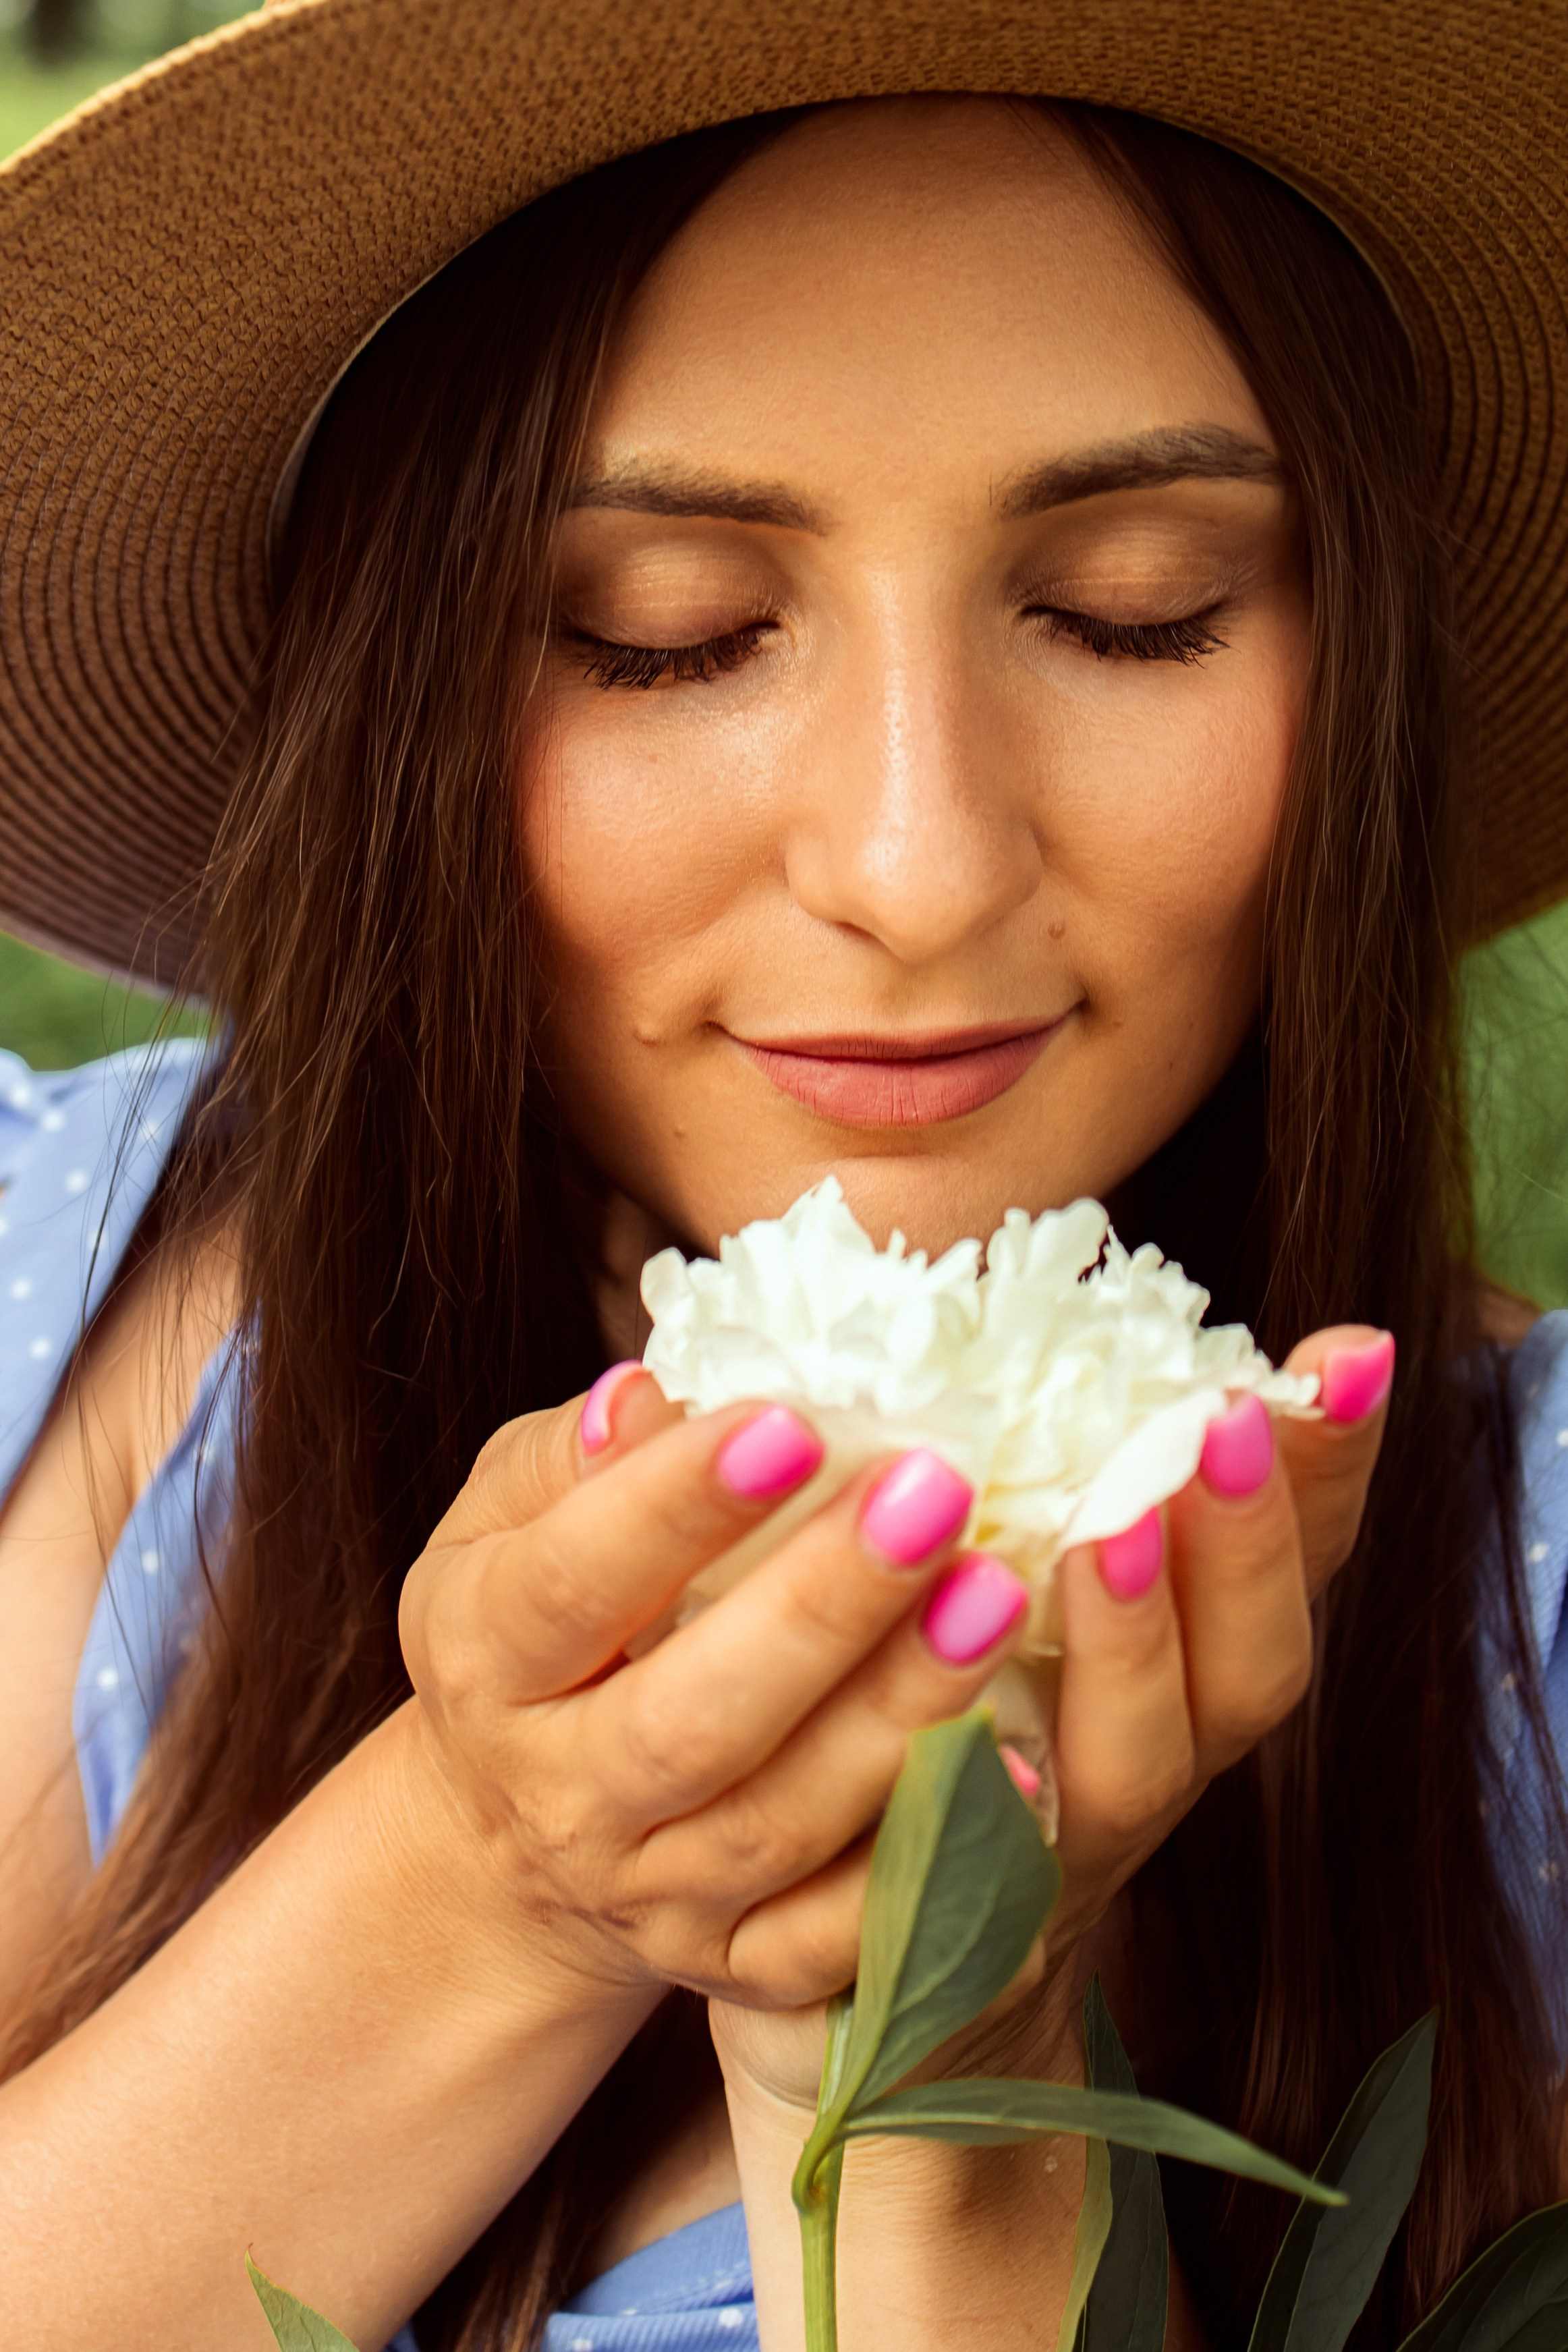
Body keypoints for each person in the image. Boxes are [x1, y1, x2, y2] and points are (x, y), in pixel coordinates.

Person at [0, 11, 1563, 2349]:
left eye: (1134, 604)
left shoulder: (1521, 1607)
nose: (918, 866)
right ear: (394, 683)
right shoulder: (115, 1303)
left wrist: (934, 2068)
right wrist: (501, 1867)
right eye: (670, 639)